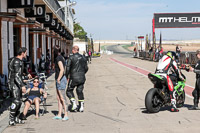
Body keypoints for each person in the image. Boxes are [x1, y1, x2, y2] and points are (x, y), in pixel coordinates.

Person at [8, 47, 31, 126]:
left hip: (17, 83)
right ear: (22, 53)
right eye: (26, 52)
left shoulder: (20, 61)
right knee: (16, 101)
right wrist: (22, 86)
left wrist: (27, 73)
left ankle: (17, 118)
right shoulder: (17, 62)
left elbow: (21, 71)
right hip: (14, 84)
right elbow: (16, 75)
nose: (26, 54)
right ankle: (11, 119)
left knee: (20, 101)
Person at [66, 46, 88, 112]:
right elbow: (86, 68)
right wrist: (82, 73)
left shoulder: (71, 57)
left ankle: (74, 103)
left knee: (69, 91)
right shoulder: (83, 57)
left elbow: (67, 68)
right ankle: (81, 106)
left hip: (73, 77)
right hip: (82, 77)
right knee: (79, 91)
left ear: (73, 50)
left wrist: (66, 76)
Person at [53, 47, 69, 121]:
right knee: (59, 97)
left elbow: (62, 69)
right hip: (59, 79)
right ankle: (59, 114)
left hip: (61, 79)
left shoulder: (58, 58)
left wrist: (59, 78)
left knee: (62, 97)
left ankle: (66, 114)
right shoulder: (61, 57)